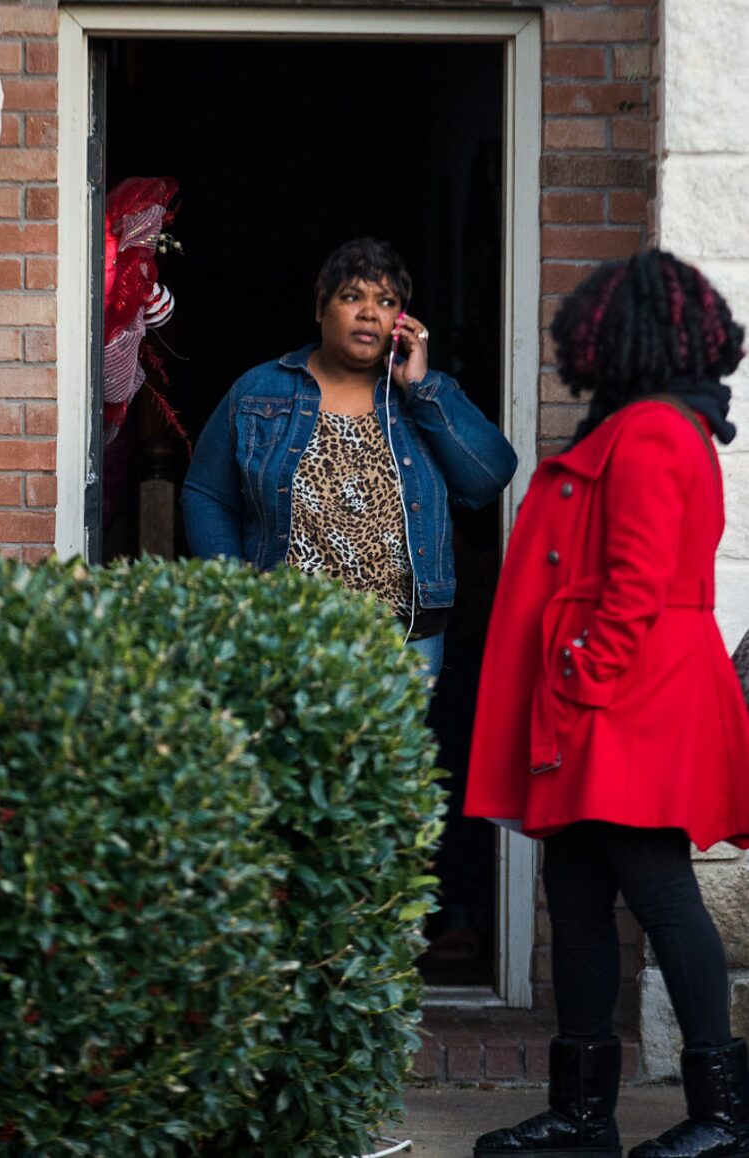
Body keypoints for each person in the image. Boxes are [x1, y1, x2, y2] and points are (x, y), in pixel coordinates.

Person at [464, 249, 749, 1158]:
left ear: (620, 337)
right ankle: (584, 1119)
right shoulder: (640, 427)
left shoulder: (657, 432)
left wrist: (580, 675)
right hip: (609, 698)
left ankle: (722, 1118)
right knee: (577, 893)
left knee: (660, 892)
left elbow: (637, 585)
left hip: (628, 699)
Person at [181, 237, 517, 679]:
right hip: (286, 636)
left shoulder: (425, 395)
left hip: (404, 643)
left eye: (386, 301)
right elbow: (206, 494)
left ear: (402, 320)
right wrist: (236, 590)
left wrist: (419, 389)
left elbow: (490, 475)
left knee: (391, 749)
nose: (368, 312)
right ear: (321, 307)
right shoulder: (261, 391)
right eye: (352, 296)